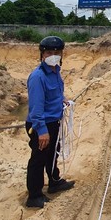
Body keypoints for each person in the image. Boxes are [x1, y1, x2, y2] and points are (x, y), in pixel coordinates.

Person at [25, 35, 75, 208]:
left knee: (52, 154)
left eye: (57, 52)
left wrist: (63, 99)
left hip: (54, 122)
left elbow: (54, 93)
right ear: (42, 54)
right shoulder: (38, 77)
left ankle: (54, 182)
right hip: (41, 125)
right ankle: (34, 195)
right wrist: (42, 131)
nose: (53, 55)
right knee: (38, 159)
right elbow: (36, 108)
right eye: (49, 52)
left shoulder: (55, 71)